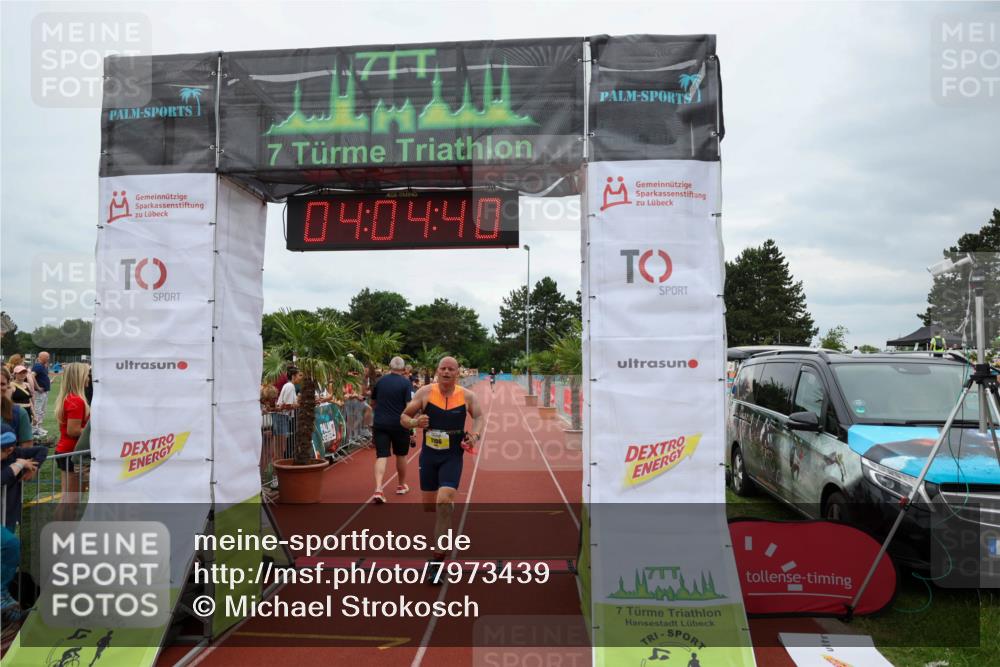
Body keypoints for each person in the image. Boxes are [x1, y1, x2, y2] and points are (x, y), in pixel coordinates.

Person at [400, 356, 485, 583]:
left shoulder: (467, 396)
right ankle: (445, 507)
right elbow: (404, 417)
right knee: (429, 506)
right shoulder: (425, 393)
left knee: (443, 502)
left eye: (451, 369)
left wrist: (474, 436)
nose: (446, 372)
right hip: (429, 456)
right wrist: (414, 424)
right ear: (437, 371)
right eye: (443, 368)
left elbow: (478, 417)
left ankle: (437, 561)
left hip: (452, 456)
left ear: (458, 373)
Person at [369, 357, 414, 503]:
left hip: (381, 423)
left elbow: (373, 402)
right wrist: (412, 427)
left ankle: (378, 488)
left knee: (381, 455)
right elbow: (409, 406)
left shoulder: (380, 381)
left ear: (390, 366)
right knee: (401, 455)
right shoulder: (406, 383)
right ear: (403, 368)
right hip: (400, 424)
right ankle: (401, 485)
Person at [54, 362, 90, 513]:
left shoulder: (70, 398)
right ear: (79, 377)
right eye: (87, 374)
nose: (89, 378)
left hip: (67, 451)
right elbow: (73, 430)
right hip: (72, 452)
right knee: (71, 501)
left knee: (68, 499)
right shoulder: (76, 400)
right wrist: (94, 433)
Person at [273, 367, 301, 458]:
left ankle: (277, 467)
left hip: (282, 417)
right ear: (293, 376)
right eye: (298, 375)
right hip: (282, 417)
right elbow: (287, 405)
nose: (300, 378)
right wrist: (297, 405)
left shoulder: (289, 386)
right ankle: (278, 468)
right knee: (281, 446)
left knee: (280, 446)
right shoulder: (290, 386)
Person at [31, 351, 51, 438]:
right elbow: (32, 376)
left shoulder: (43, 366)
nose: (48, 358)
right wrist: (38, 387)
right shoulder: (38, 366)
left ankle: (39, 427)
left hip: (44, 392)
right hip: (39, 393)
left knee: (42, 411)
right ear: (41, 357)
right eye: (47, 357)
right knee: (38, 410)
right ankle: (34, 429)